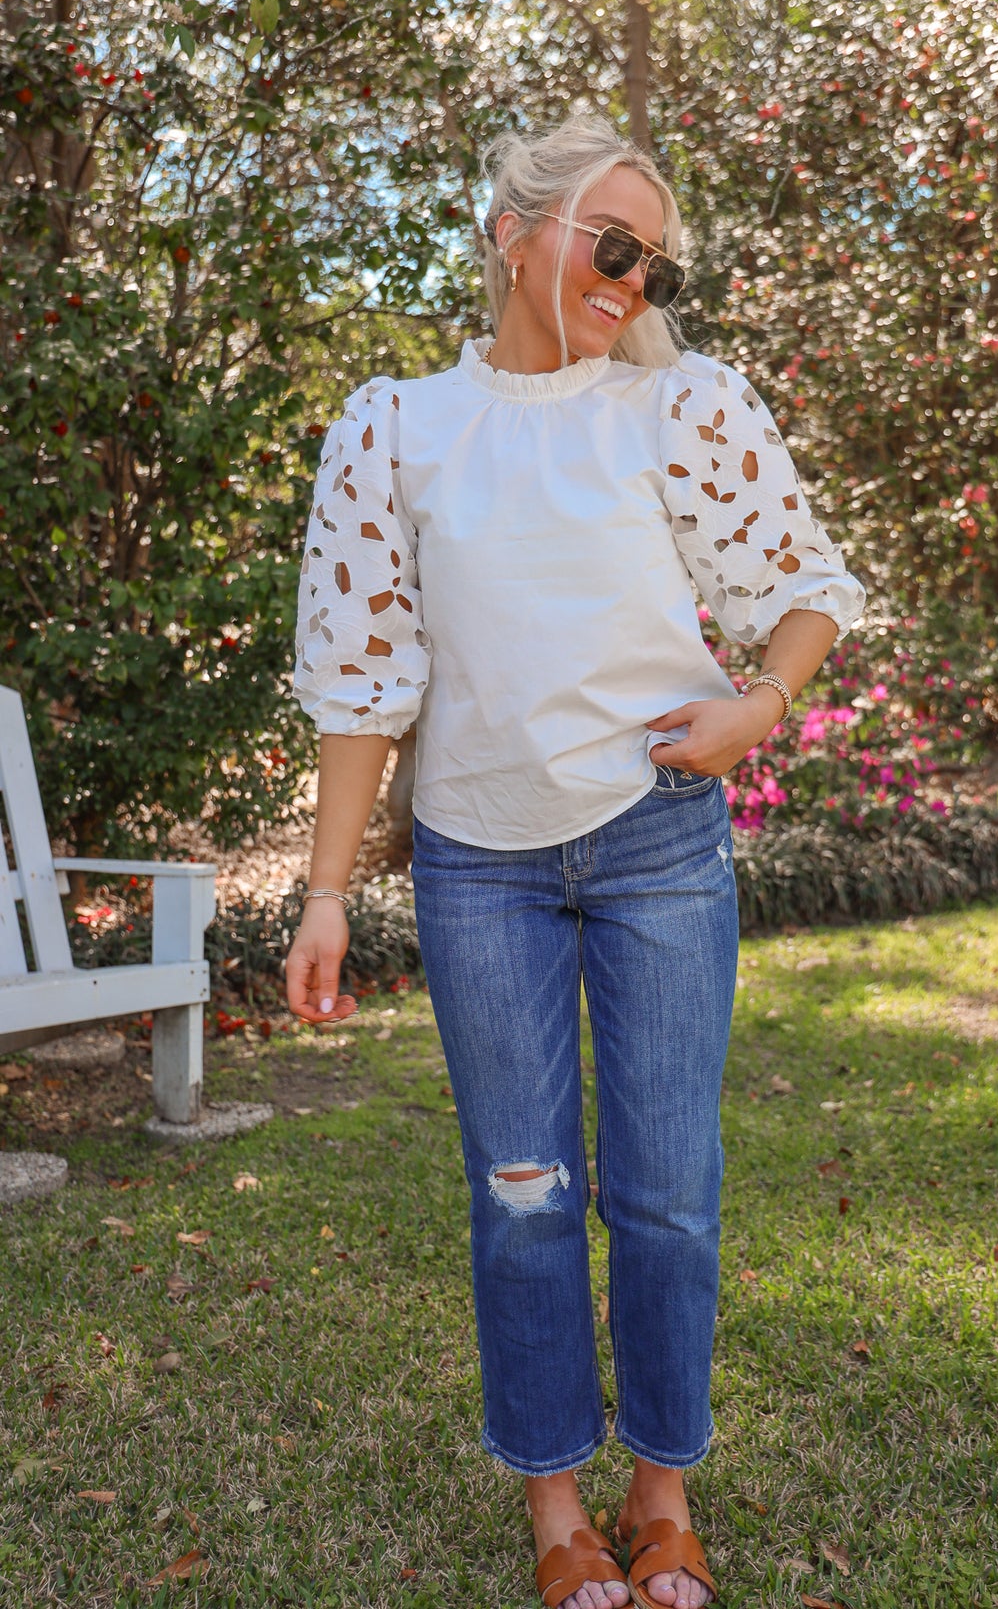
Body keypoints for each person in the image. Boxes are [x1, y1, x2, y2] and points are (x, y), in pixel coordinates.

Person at [286, 113, 865, 1609]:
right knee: (526, 1193)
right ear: (512, 233)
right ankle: (557, 1505)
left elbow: (805, 588)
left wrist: (761, 706)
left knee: (667, 1188)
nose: (631, 278)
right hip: (479, 867)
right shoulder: (395, 426)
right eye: (611, 244)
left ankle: (662, 1494)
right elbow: (363, 686)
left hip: (658, 840)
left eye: (651, 258)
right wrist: (328, 894)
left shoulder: (680, 404)